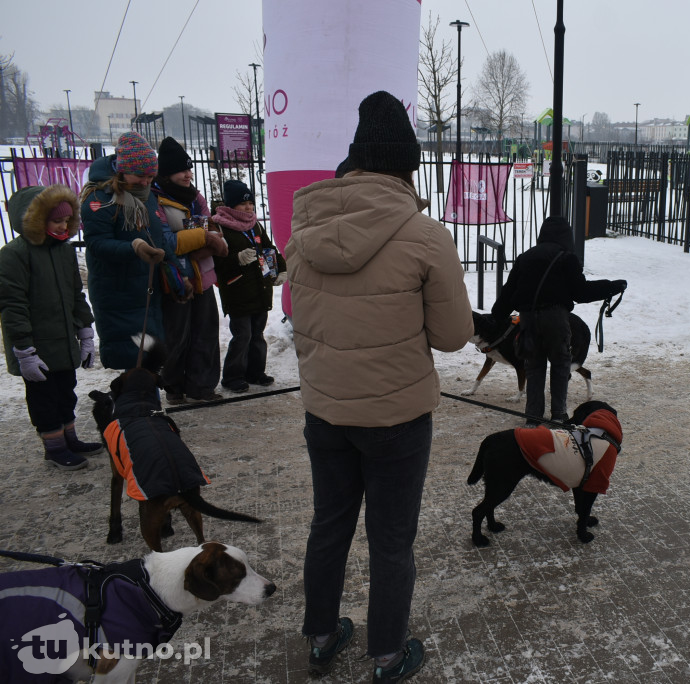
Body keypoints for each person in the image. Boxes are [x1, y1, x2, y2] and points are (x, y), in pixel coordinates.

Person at [287, 90, 472, 682]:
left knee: (329, 525)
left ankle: (321, 636)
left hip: (326, 413)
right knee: (391, 542)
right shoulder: (425, 234)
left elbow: (303, 319)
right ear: (406, 167)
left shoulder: (303, 227)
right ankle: (388, 654)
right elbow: (451, 337)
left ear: (354, 161)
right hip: (397, 419)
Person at [0, 185, 102, 470]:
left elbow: (75, 294)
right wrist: (24, 350)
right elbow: (12, 304)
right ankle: (55, 448)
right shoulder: (14, 254)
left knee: (66, 392)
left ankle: (70, 438)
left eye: (67, 220)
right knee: (44, 399)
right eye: (56, 220)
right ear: (35, 219)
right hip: (36, 345)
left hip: (62, 341)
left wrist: (84, 330)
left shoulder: (63, 251)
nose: (64, 225)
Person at [491, 215, 626, 425]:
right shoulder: (566, 258)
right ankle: (558, 413)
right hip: (555, 318)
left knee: (534, 366)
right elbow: (581, 292)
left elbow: (508, 293)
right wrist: (612, 286)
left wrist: (496, 316)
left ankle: (533, 416)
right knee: (560, 364)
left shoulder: (525, 257)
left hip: (527, 319)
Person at [80, 131, 171, 369]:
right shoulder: (98, 198)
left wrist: (176, 272)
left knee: (150, 358)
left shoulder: (147, 195)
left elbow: (157, 235)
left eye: (150, 176)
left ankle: (145, 404)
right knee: (133, 359)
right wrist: (134, 247)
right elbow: (97, 243)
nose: (145, 182)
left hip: (146, 288)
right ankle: (134, 404)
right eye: (140, 176)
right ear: (121, 170)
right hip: (118, 292)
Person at [153, 137, 228, 403]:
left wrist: (205, 242)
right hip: (178, 279)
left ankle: (202, 387)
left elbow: (213, 231)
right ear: (167, 172)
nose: (188, 174)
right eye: (181, 170)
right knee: (177, 337)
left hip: (203, 276)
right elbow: (167, 243)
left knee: (205, 335)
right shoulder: (157, 201)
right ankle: (174, 388)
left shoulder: (197, 198)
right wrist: (205, 240)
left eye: (189, 169)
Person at [211, 180, 284, 393]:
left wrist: (280, 269)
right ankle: (233, 376)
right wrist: (237, 259)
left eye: (251, 202)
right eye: (243, 204)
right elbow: (215, 262)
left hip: (260, 289)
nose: (249, 207)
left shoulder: (255, 225)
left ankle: (255, 372)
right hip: (238, 291)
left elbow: (269, 249)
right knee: (242, 335)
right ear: (231, 205)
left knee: (257, 334)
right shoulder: (220, 226)